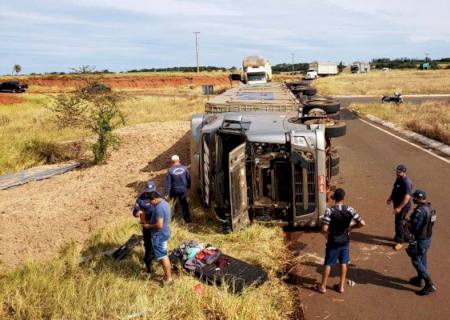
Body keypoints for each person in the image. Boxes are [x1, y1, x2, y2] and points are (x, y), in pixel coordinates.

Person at [317, 188, 366, 294]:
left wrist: (327, 236)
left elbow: (324, 229)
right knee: (343, 262)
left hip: (333, 241)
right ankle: (341, 286)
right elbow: (362, 223)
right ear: (344, 198)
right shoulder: (350, 209)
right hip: (345, 241)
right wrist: (351, 228)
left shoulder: (330, 210)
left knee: (328, 263)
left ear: (334, 198)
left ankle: (323, 286)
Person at [407, 189, 437, 296]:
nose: (413, 199)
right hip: (427, 239)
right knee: (422, 259)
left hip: (420, 240)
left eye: (414, 197)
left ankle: (429, 284)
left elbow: (414, 227)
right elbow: (431, 223)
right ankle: (419, 279)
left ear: (419, 198)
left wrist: (406, 224)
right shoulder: (431, 208)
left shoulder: (420, 211)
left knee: (416, 260)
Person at [143, 191, 173, 283]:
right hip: (165, 232)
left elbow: (159, 225)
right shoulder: (165, 203)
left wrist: (148, 226)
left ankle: (169, 279)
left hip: (159, 235)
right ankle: (167, 276)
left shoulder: (159, 208)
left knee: (163, 256)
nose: (150, 203)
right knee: (163, 255)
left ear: (155, 199)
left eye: (151, 201)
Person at [132, 180, 157, 273]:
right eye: (148, 192)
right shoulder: (140, 199)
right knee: (148, 244)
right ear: (145, 190)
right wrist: (137, 213)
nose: (150, 194)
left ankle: (155, 257)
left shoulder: (157, 195)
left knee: (156, 242)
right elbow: (135, 211)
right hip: (146, 224)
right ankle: (148, 263)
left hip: (156, 223)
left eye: (152, 191)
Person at [386, 164, 413, 250]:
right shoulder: (398, 178)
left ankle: (400, 241)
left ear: (404, 172)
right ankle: (407, 237)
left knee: (399, 222)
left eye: (399, 172)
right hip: (397, 203)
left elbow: (407, 197)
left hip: (403, 205)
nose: (397, 173)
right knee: (400, 221)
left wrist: (399, 208)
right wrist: (390, 198)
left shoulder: (407, 182)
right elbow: (394, 189)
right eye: (397, 171)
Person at [164, 155, 191, 223]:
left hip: (174, 190)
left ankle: (172, 219)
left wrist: (166, 193)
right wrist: (188, 186)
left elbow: (168, 183)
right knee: (184, 203)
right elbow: (189, 178)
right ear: (179, 160)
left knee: (173, 204)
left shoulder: (170, 170)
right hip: (183, 189)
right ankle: (187, 219)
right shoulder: (185, 168)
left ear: (172, 162)